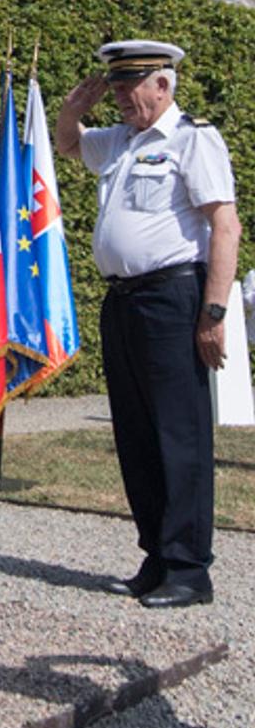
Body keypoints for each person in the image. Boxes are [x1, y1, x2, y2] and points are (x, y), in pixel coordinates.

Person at [55, 39, 241, 607]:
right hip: (123, 300)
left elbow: (225, 227)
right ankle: (157, 556)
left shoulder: (193, 139)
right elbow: (68, 147)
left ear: (163, 86)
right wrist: (72, 110)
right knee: (135, 433)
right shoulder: (119, 141)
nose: (118, 95)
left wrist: (212, 314)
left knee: (178, 434)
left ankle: (190, 569)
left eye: (129, 84)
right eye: (113, 84)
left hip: (171, 298)